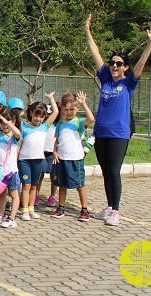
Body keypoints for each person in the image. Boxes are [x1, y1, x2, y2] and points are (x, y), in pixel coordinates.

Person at [85, 15, 151, 226]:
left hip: (119, 133)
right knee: (105, 171)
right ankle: (109, 207)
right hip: (100, 132)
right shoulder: (106, 79)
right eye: (113, 63)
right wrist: (88, 32)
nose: (114, 66)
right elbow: (96, 54)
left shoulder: (128, 83)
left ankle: (116, 211)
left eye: (119, 64)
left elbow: (142, 63)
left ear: (125, 67)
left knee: (114, 171)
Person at [51, 91, 95, 221]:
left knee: (79, 185)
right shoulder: (60, 124)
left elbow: (91, 119)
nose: (69, 112)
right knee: (62, 185)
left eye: (72, 109)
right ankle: (61, 207)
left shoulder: (79, 122)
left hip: (75, 160)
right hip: (62, 159)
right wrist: (54, 152)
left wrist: (84, 103)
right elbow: (57, 141)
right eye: (66, 109)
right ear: (62, 109)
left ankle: (84, 209)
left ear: (77, 109)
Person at [17, 95, 59, 221]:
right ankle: (24, 210)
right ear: (31, 113)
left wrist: (51, 98)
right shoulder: (24, 127)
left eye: (41, 117)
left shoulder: (45, 126)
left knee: (34, 186)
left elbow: (56, 111)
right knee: (26, 186)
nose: (38, 119)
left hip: (38, 160)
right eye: (36, 115)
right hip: (24, 161)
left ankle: (31, 209)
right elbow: (19, 145)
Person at [0, 108, 22, 228]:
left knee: (14, 194)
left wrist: (9, 123)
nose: (5, 125)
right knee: (1, 194)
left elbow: (18, 134)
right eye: (2, 122)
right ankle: (1, 215)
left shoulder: (14, 137)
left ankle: (12, 218)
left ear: (13, 121)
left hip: (11, 172)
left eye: (8, 122)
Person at [36, 103, 60, 208]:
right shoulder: (43, 125)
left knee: (53, 176)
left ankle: (52, 196)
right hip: (41, 152)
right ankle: (35, 194)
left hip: (52, 153)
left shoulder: (58, 125)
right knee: (38, 175)